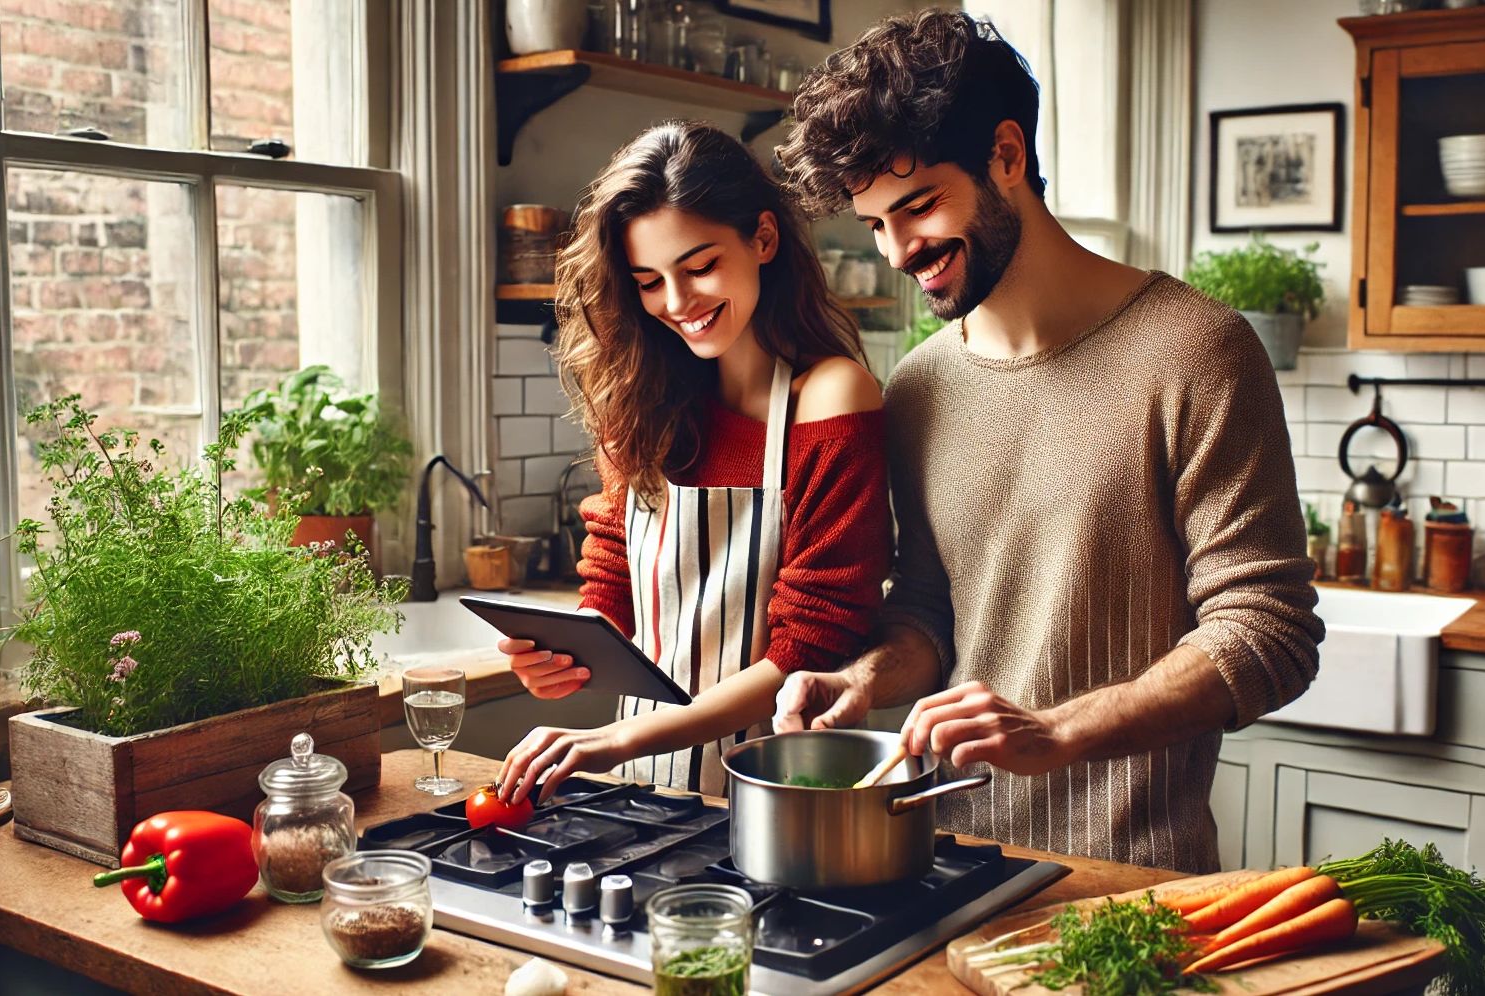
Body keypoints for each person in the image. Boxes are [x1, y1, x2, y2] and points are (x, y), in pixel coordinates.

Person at [770, 10, 1324, 872]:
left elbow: (1268, 633)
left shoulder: (1198, 350)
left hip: (1130, 883)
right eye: (875, 224)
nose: (899, 253)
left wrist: (1057, 729)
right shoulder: (920, 386)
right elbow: (929, 611)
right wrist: (865, 681)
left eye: (917, 208)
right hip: (945, 863)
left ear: (1007, 156)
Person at [494, 120, 891, 804]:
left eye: (700, 266)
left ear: (763, 239)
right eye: (649, 280)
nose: (677, 304)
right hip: (648, 785)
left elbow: (811, 648)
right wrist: (566, 660)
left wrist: (618, 742)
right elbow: (613, 574)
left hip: (783, 790)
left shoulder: (829, 399)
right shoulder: (643, 402)